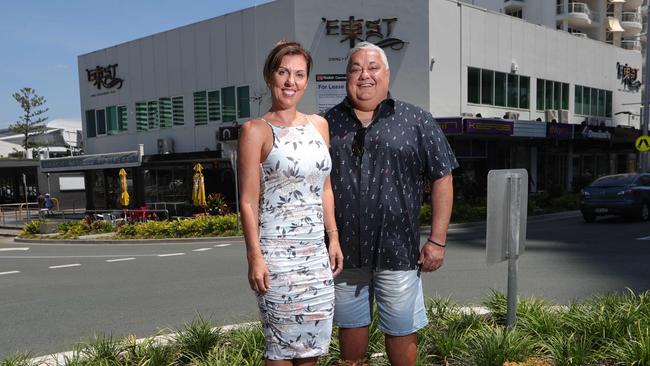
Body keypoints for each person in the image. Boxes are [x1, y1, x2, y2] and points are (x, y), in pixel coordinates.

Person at [324, 42, 458, 366]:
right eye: (355, 68)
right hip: (345, 255)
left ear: (387, 74)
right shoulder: (326, 125)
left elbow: (443, 177)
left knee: (401, 331)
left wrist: (437, 241)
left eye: (372, 67)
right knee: (350, 330)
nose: (364, 75)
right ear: (346, 77)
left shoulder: (416, 121)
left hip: (398, 252)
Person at [238, 41, 344, 366]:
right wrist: (255, 257)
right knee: (281, 351)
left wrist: (334, 237)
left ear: (307, 80)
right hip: (278, 260)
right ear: (270, 75)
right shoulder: (255, 130)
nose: (290, 81)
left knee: (311, 350)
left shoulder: (319, 125)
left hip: (316, 259)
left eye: (299, 74)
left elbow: (325, 188)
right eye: (283, 72)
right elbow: (247, 203)